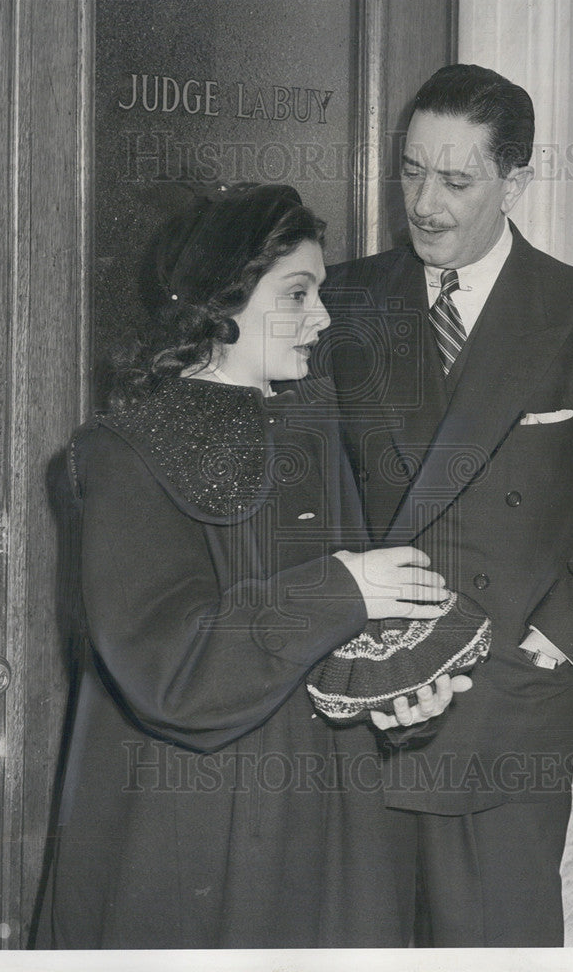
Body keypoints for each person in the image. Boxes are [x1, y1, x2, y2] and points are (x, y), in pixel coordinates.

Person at [33, 183, 464, 949]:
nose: (324, 318)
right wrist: (344, 585)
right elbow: (174, 672)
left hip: (328, 813)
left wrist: (396, 703)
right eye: (297, 294)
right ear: (221, 300)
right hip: (199, 822)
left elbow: (341, 648)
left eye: (321, 293)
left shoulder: (313, 416)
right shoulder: (123, 451)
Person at [318, 65, 573, 946]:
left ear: (515, 182)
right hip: (359, 703)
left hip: (501, 710)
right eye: (411, 171)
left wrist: (545, 651)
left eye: (456, 180)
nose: (426, 203)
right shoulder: (340, 301)